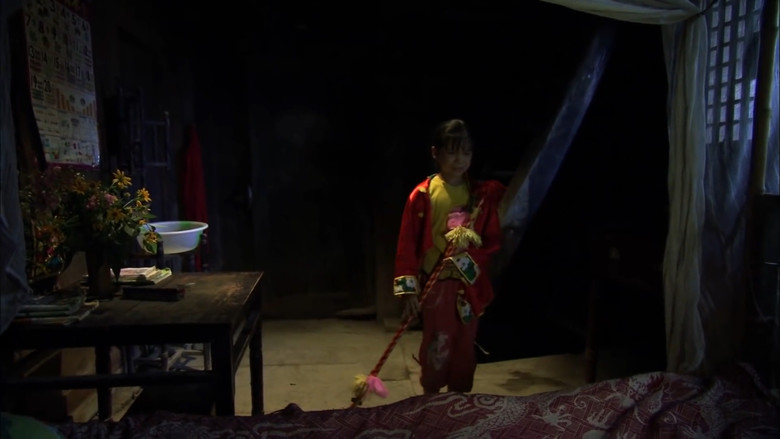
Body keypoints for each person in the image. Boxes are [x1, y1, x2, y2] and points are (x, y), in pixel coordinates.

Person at [393, 118, 505, 394]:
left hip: (468, 285)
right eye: (452, 152)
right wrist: (408, 289)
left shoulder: (479, 195)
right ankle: (431, 396)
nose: (460, 160)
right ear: (436, 153)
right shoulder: (422, 195)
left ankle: (459, 399)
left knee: (465, 343)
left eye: (466, 152)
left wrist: (473, 248)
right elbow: (407, 243)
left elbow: (490, 239)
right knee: (438, 339)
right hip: (437, 283)